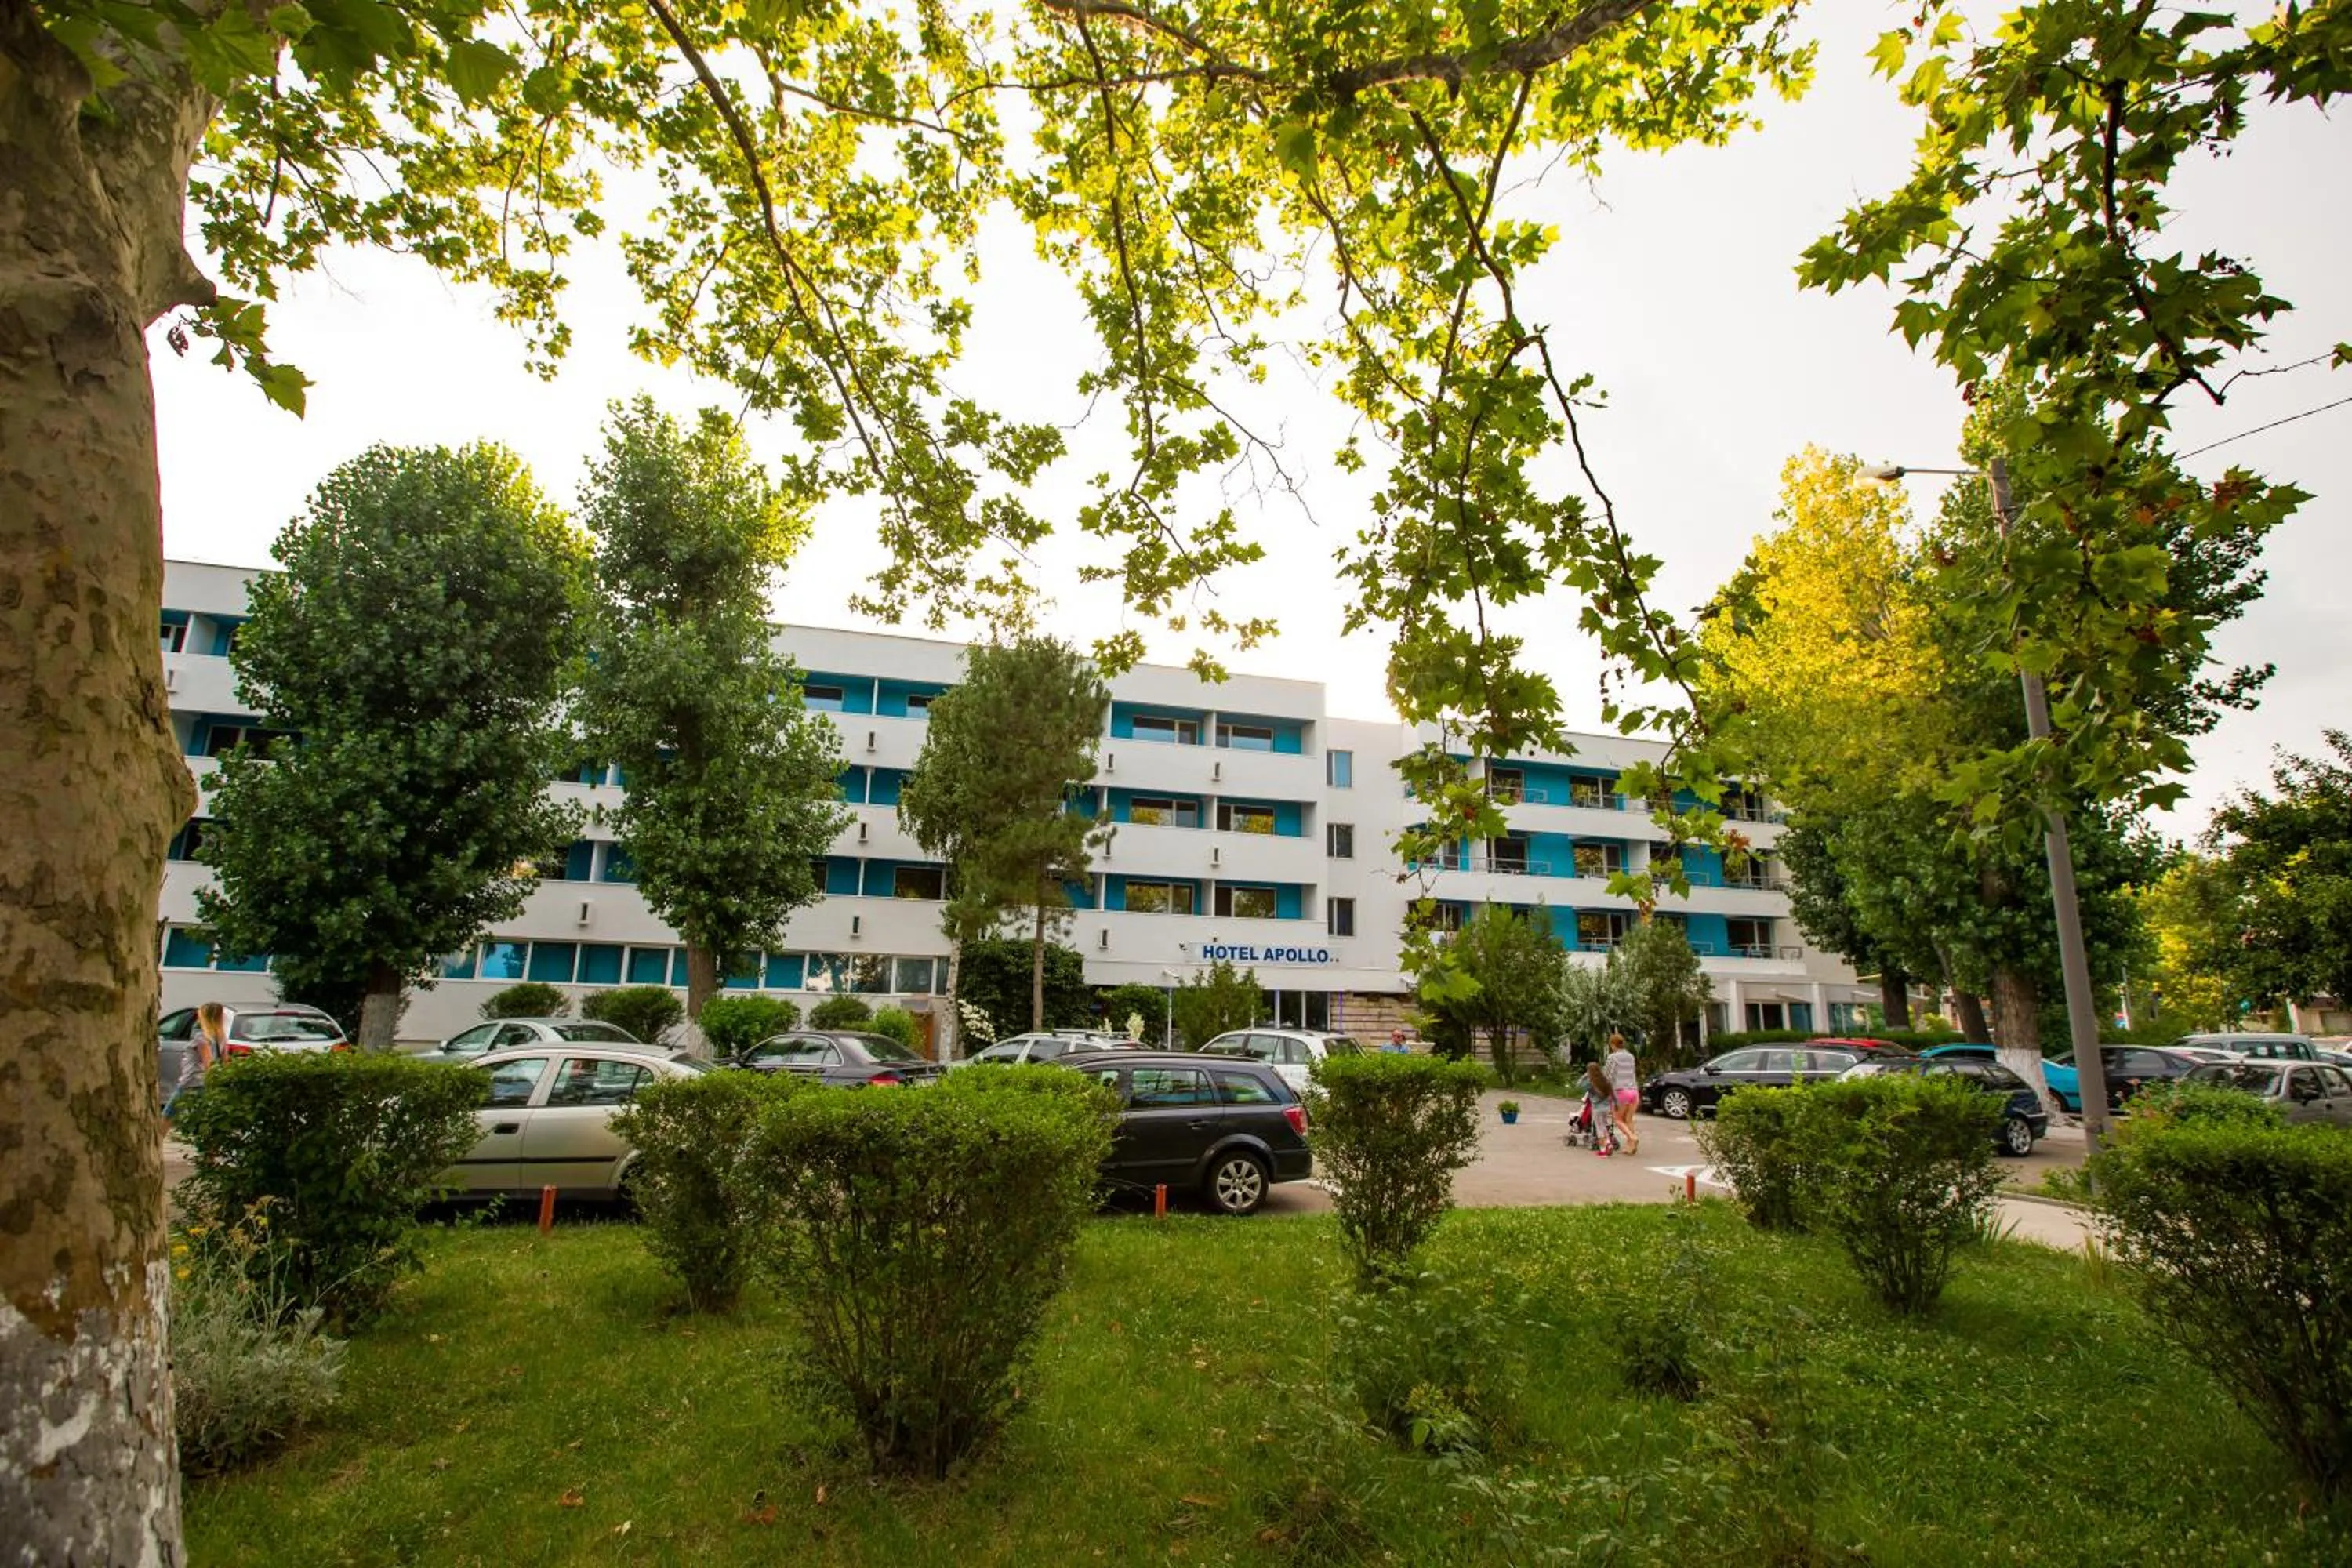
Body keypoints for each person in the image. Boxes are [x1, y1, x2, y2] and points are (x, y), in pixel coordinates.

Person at [165, 1000, 226, 1123]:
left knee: (168, 1116)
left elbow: (208, 1063)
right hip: (207, 1084)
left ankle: (156, 1140)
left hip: (191, 1082)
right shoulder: (221, 1037)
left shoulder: (200, 1037)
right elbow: (225, 1061)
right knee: (204, 1120)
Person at [1603, 1032, 1640, 1156]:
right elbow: (1633, 1073)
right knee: (1628, 1119)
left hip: (1621, 1092)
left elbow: (1606, 1075)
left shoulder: (1612, 1057)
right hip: (1634, 1091)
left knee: (1618, 1120)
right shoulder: (1631, 1056)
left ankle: (1632, 1137)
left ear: (1613, 1045)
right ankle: (1630, 1147)